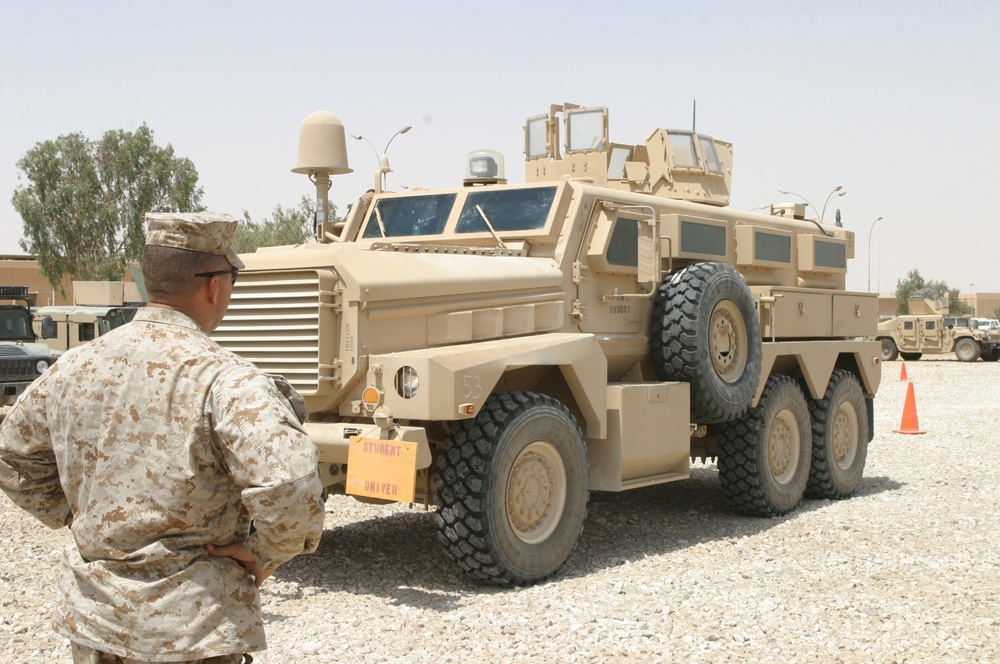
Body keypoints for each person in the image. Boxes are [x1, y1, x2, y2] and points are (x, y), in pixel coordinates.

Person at [0, 212, 326, 663]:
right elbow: (290, 489)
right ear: (214, 285)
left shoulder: (72, 367)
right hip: (193, 630)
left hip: (98, 622)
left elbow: (11, 457)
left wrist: (77, 516)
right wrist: (262, 553)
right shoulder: (226, 379)